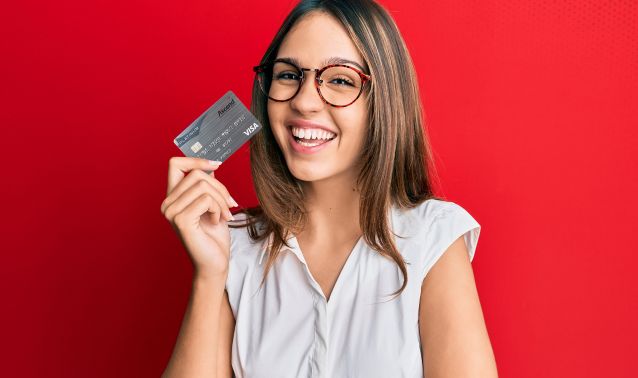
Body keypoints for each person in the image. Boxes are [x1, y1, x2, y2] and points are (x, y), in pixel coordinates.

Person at [160, 0, 498, 377]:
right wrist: (209, 275)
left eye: (339, 80)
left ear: (383, 102)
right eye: (288, 75)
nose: (304, 101)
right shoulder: (234, 244)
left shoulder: (433, 237)